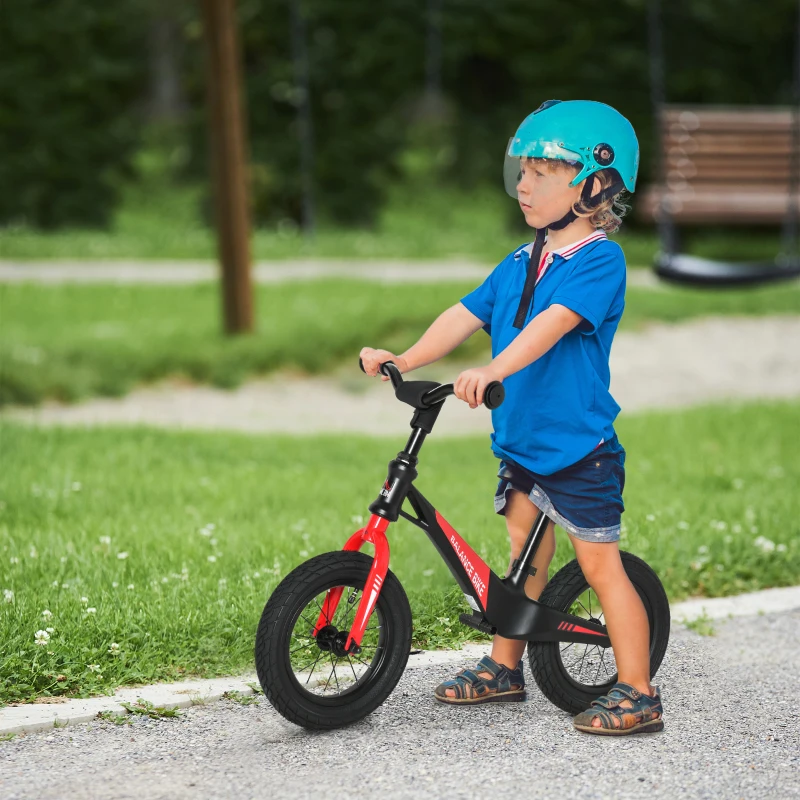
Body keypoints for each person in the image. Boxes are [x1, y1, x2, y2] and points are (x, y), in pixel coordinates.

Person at [360, 99, 663, 735]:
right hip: (521, 443)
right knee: (524, 557)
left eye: (542, 174)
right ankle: (504, 667)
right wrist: (406, 358)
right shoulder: (521, 261)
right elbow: (464, 313)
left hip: (578, 449)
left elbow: (551, 325)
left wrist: (494, 369)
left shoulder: (599, 262)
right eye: (522, 171)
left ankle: (637, 691)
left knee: (601, 568)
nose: (524, 185)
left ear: (593, 187)